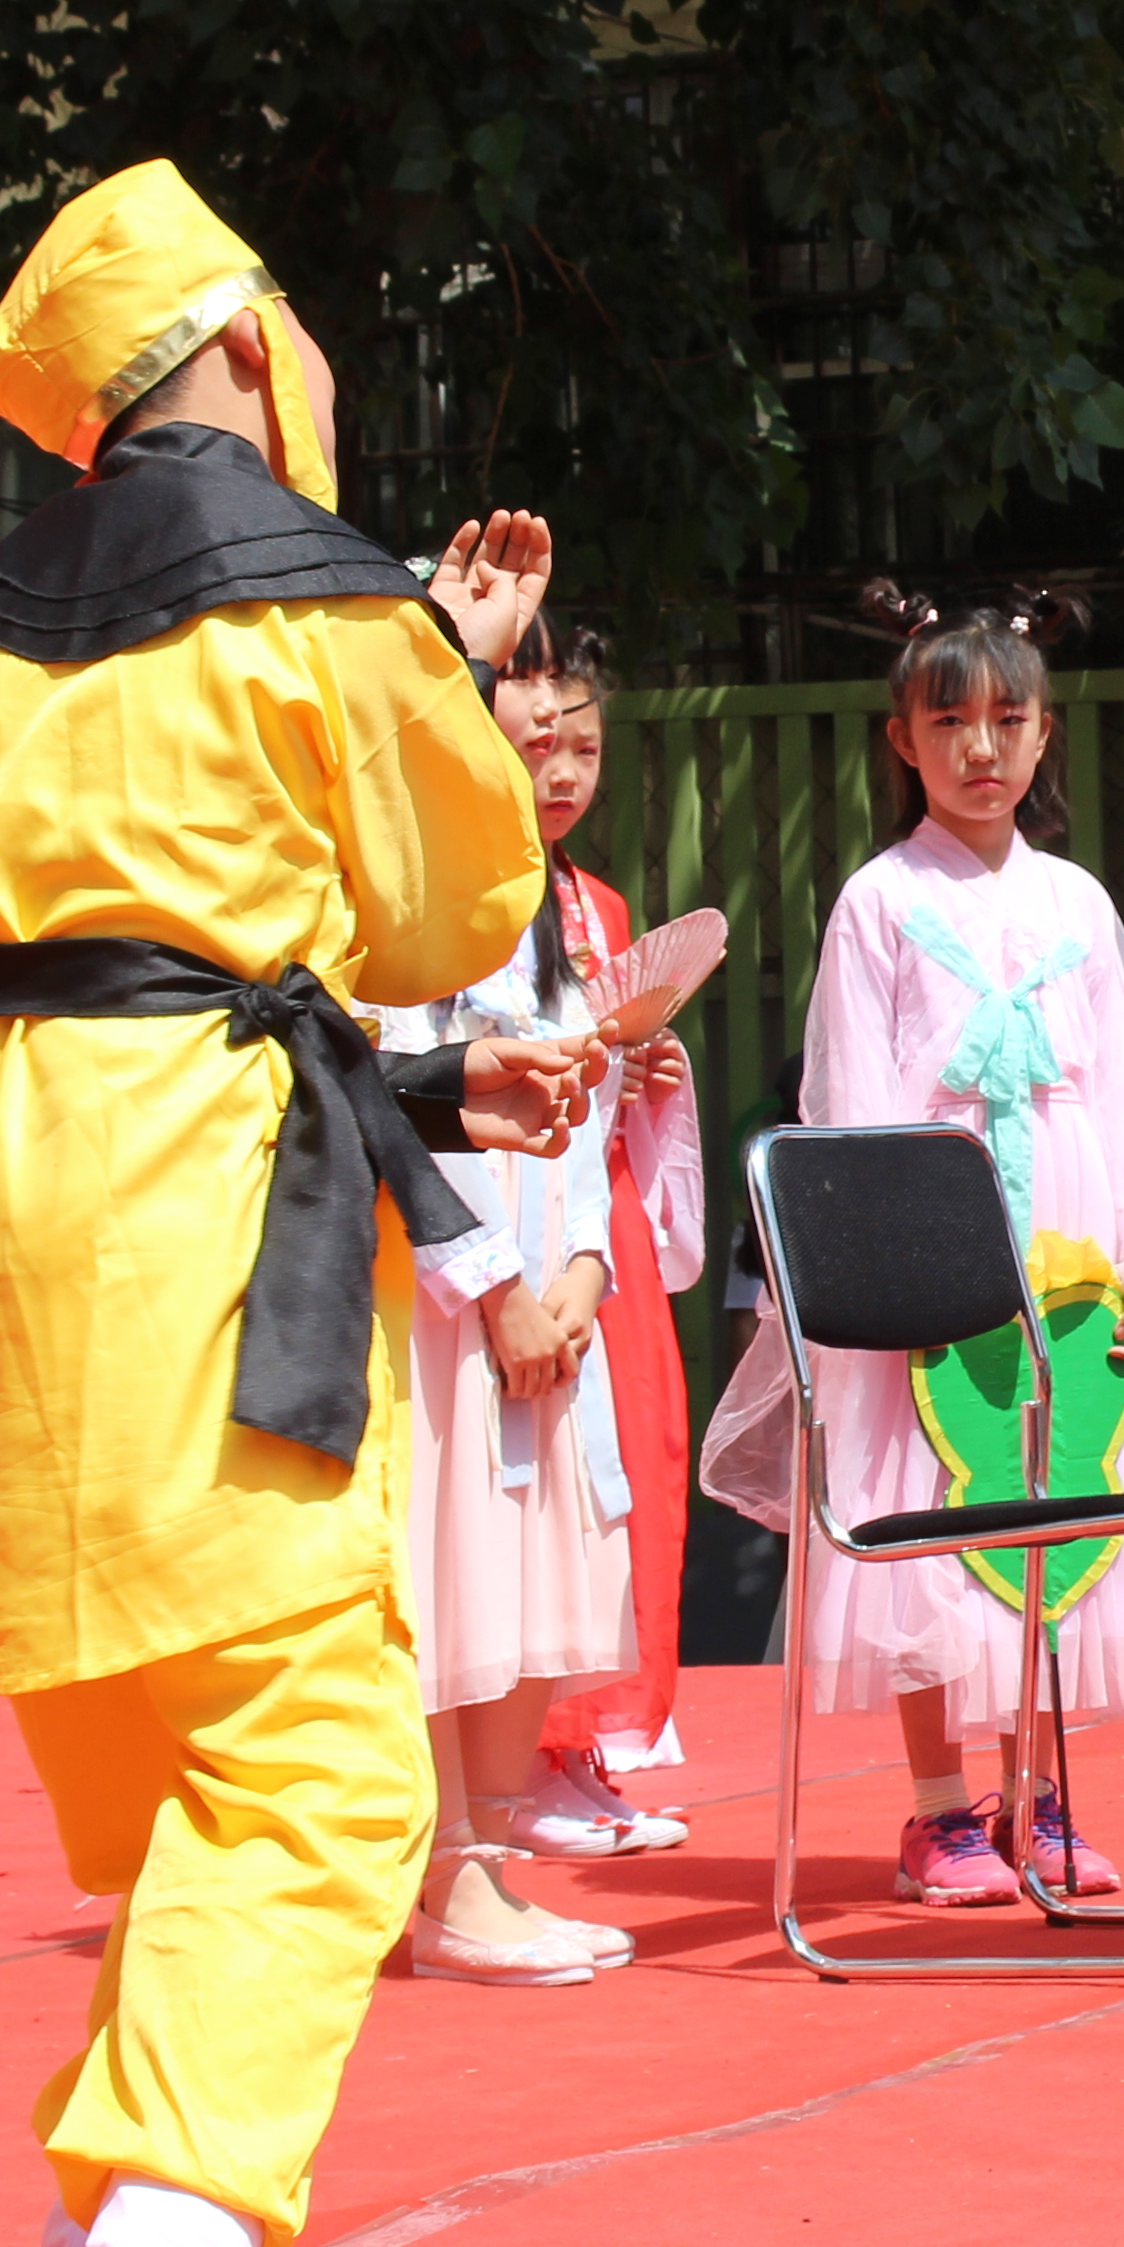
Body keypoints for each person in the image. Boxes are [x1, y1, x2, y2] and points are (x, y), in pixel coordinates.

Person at [0, 165, 580, 2247]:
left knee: (162, 1751)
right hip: (180, 1181)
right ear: (247, 344)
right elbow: (446, 902)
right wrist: (445, 657)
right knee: (309, 1775)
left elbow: (96, 936)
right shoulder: (313, 590)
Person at [783, 588, 1124, 1912]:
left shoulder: (1076, 900)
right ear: (902, 737)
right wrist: (885, 1263)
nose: (981, 749)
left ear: (1043, 733)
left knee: (1056, 1494)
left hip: (1070, 1239)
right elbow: (847, 1096)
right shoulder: (879, 901)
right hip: (936, 1240)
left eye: (1007, 721)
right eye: (949, 721)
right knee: (933, 1507)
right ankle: (936, 1812)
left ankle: (1043, 1795)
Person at [367, 708, 637, 1989]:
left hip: (548, 1316)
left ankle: (484, 1860)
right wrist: (496, 1292)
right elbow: (388, 1130)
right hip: (438, 1319)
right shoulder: (389, 943)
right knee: (449, 1571)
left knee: (529, 1578)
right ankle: (436, 1870)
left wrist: (583, 1273)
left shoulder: (547, 945)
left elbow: (582, 1131)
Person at [509, 621, 706, 1851]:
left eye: (584, 744)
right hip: (511, 1206)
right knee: (532, 1479)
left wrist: (654, 1071)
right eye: (541, 744)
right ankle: (513, 1759)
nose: (566, 771)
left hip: (601, 1215)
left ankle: (577, 1743)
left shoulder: (599, 902)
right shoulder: (461, 895)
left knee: (631, 1467)